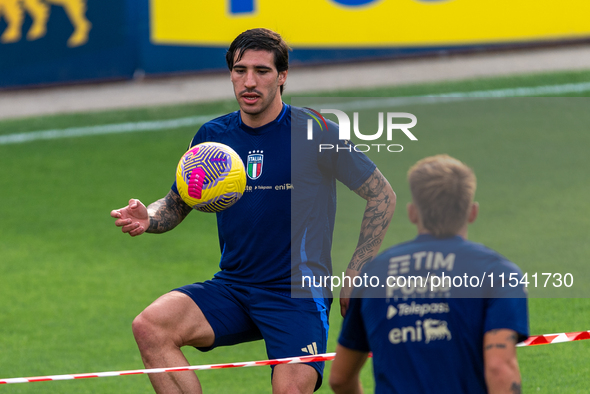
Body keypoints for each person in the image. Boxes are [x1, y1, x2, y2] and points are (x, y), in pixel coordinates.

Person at [110, 28, 396, 394]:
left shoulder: (316, 131)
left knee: (289, 389)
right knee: (150, 326)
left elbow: (382, 196)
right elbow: (175, 203)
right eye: (240, 70)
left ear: (282, 76)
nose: (249, 81)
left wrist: (358, 268)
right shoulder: (212, 138)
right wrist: (148, 217)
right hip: (234, 287)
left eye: (261, 71)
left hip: (298, 295)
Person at [330, 154, 529, 394]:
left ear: (413, 212)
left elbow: (340, 379)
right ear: (472, 212)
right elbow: (500, 369)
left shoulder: (373, 276)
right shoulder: (500, 274)